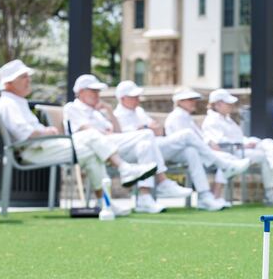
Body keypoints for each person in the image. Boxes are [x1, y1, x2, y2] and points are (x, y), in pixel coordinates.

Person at [0, 60, 156, 216]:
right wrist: (48, 131)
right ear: (9, 83)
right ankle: (124, 169)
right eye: (23, 77)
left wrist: (46, 131)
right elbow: (25, 133)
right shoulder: (8, 103)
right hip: (33, 150)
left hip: (41, 147)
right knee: (92, 136)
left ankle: (104, 202)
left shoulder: (16, 101)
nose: (28, 80)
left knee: (92, 154)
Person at [64, 74, 191, 214]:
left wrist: (109, 112)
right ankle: (161, 181)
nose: (97, 94)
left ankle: (145, 198)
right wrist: (105, 132)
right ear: (81, 92)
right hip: (91, 148)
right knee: (147, 134)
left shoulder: (97, 112)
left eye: (98, 91)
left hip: (111, 147)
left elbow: (117, 132)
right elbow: (89, 131)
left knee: (145, 145)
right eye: (93, 91)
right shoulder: (72, 107)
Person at [113, 82, 250, 211]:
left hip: (157, 147)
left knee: (191, 151)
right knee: (183, 135)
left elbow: (158, 130)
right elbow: (129, 137)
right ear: (122, 99)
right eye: (133, 97)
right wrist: (145, 128)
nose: (137, 99)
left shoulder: (139, 112)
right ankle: (222, 164)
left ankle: (204, 195)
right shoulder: (117, 115)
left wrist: (144, 129)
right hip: (137, 151)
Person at [202, 89, 273, 207]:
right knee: (264, 157)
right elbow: (218, 143)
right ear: (217, 104)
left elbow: (238, 137)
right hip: (232, 154)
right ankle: (270, 193)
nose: (230, 106)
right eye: (227, 103)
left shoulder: (227, 119)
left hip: (242, 150)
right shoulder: (211, 120)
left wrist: (248, 142)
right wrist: (243, 145)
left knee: (267, 142)